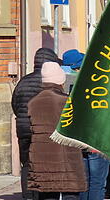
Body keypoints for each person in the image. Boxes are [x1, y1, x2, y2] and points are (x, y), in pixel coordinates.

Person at [27, 62, 87, 199]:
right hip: (68, 158)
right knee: (70, 194)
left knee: (47, 194)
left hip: (40, 159)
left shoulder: (32, 102)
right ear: (61, 81)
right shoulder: (67, 102)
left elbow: (26, 132)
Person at [11, 48, 61, 200]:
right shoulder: (50, 82)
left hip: (23, 128)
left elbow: (15, 104)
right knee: (45, 164)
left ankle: (28, 196)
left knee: (27, 164)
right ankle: (42, 195)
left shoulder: (23, 81)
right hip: (42, 129)